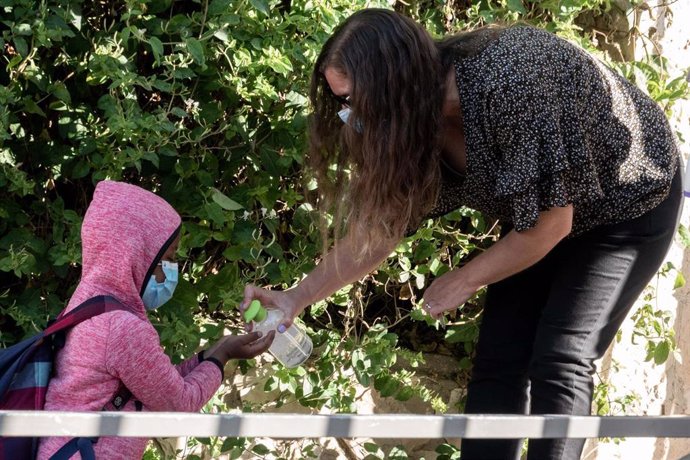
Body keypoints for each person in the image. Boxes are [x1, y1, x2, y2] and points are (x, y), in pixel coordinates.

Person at [242, 8, 684, 460]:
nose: (350, 114)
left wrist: (465, 278)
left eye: (354, 99)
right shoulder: (413, 125)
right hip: (539, 214)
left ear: (395, 82)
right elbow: (379, 231)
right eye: (341, 103)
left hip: (627, 205)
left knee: (562, 356)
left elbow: (554, 223)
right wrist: (297, 297)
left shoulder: (510, 82)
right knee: (498, 359)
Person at [38, 180, 275, 459]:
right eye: (168, 258)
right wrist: (223, 355)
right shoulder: (121, 328)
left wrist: (209, 356)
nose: (172, 271)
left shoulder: (88, 305)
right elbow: (178, 405)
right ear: (138, 254)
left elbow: (158, 385)